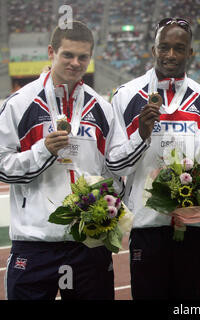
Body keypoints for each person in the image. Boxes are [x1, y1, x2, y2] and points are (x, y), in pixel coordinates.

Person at [0, 21, 149, 300]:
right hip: (35, 243)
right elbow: (2, 167)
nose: (75, 63)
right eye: (67, 55)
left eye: (83, 56)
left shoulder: (101, 109)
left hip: (88, 244)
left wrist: (110, 210)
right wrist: (43, 151)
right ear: (51, 52)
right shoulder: (19, 104)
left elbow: (114, 169)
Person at [111, 18, 200, 300]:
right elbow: (115, 164)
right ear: (153, 49)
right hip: (147, 226)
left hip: (193, 224)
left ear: (190, 53)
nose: (171, 55)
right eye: (164, 47)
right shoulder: (126, 96)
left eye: (179, 48)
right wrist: (142, 135)